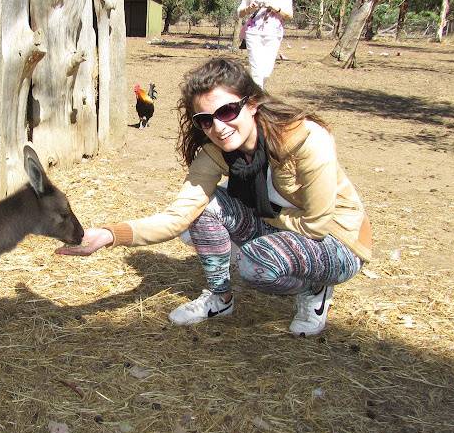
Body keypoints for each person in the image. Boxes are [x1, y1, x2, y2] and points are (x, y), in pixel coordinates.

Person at [57, 58, 372, 336]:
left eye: (227, 110)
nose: (218, 127)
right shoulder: (217, 153)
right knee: (201, 211)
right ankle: (220, 299)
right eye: (205, 120)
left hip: (337, 241)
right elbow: (178, 215)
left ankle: (314, 287)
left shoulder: (305, 139)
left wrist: (246, 235)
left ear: (252, 104)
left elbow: (316, 225)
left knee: (255, 262)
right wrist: (110, 235)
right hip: (283, 230)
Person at [237, 0, 293, 89]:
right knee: (256, 70)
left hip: (273, 34)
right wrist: (249, 8)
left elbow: (289, 15)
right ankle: (257, 101)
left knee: (266, 71)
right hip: (253, 33)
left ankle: (257, 94)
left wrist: (276, 9)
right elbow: (239, 12)